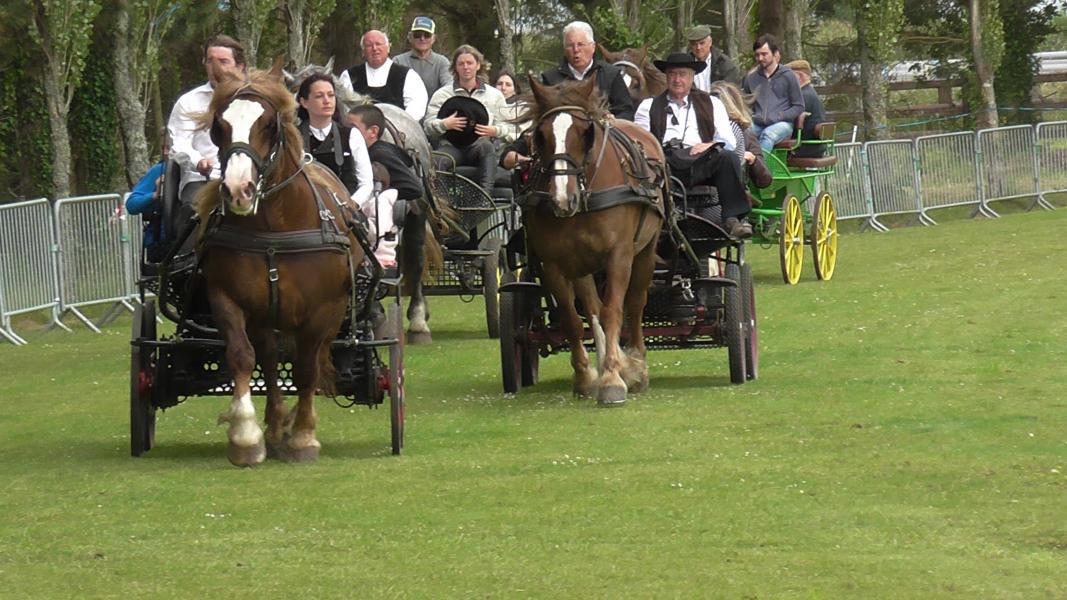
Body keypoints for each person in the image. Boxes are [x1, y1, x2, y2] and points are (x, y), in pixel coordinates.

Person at [635, 53, 751, 238]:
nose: (677, 79)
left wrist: (709, 145)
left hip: (701, 160)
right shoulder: (648, 106)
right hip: (665, 162)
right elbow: (641, 144)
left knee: (727, 158)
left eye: (682, 74)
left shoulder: (712, 103)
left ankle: (732, 219)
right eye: (672, 74)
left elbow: (729, 141)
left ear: (692, 77)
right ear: (666, 77)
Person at [167, 35, 247, 235]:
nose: (216, 67)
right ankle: (187, 263)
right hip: (202, 179)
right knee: (193, 214)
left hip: (248, 177)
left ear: (241, 67)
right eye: (210, 61)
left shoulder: (252, 100)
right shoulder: (189, 102)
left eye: (223, 62)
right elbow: (179, 143)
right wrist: (198, 160)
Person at [425, 45, 510, 192]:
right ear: (455, 68)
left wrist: (494, 130)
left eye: (469, 63)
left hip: (480, 146)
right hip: (450, 147)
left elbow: (508, 127)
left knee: (487, 148)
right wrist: (444, 124)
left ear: (478, 65)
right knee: (437, 159)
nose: (466, 67)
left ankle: (484, 198)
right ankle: (442, 206)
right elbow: (427, 126)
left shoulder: (495, 95)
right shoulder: (442, 94)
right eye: (461, 64)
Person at [295, 72, 374, 208]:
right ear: (304, 102)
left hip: (347, 211)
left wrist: (351, 205)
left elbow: (366, 183)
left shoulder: (351, 135)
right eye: (319, 96)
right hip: (305, 211)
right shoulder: (294, 137)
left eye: (331, 95)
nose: (327, 101)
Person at [540, 21, 634, 121]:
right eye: (570, 46)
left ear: (593, 47)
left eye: (580, 44)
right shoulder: (551, 79)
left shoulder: (610, 74)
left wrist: (614, 120)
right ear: (564, 49)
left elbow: (626, 112)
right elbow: (543, 116)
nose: (576, 50)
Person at [338, 30, 428, 121]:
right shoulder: (349, 76)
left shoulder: (408, 76)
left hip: (398, 131)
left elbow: (416, 107)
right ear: (363, 51)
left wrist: (396, 125)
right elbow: (345, 109)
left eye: (378, 44)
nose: (374, 48)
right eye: (369, 45)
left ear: (388, 48)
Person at [347, 104, 423, 205]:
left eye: (353, 127)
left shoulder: (380, 154)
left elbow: (414, 188)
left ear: (373, 131)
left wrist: (379, 196)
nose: (348, 131)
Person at [741, 34, 805, 153]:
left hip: (782, 124)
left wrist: (780, 115)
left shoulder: (788, 76)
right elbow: (745, 104)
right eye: (757, 55)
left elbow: (799, 106)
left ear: (775, 54)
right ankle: (741, 168)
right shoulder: (751, 78)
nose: (760, 58)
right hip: (757, 123)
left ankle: (760, 169)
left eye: (764, 54)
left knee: (768, 135)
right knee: (740, 133)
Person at [709, 81, 773, 198]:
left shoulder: (744, 133)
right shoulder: (702, 130)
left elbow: (765, 180)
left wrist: (753, 160)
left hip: (734, 192)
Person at [126, 129, 170, 261]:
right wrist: (155, 194)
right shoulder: (158, 170)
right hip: (161, 244)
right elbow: (132, 205)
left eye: (169, 147)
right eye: (163, 148)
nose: (166, 152)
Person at [393, 16, 452, 100]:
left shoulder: (442, 62)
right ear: (410, 37)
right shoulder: (398, 61)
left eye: (427, 35)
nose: (422, 38)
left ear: (433, 38)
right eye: (417, 35)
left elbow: (448, 87)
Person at [783, 59, 828, 157]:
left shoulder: (803, 97)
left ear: (800, 76)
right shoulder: (809, 93)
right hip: (813, 147)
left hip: (803, 148)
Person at [686, 25, 741, 90]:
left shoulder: (724, 63)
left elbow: (731, 91)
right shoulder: (685, 64)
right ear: (690, 46)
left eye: (702, 43)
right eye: (694, 44)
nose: (698, 48)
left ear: (710, 42)